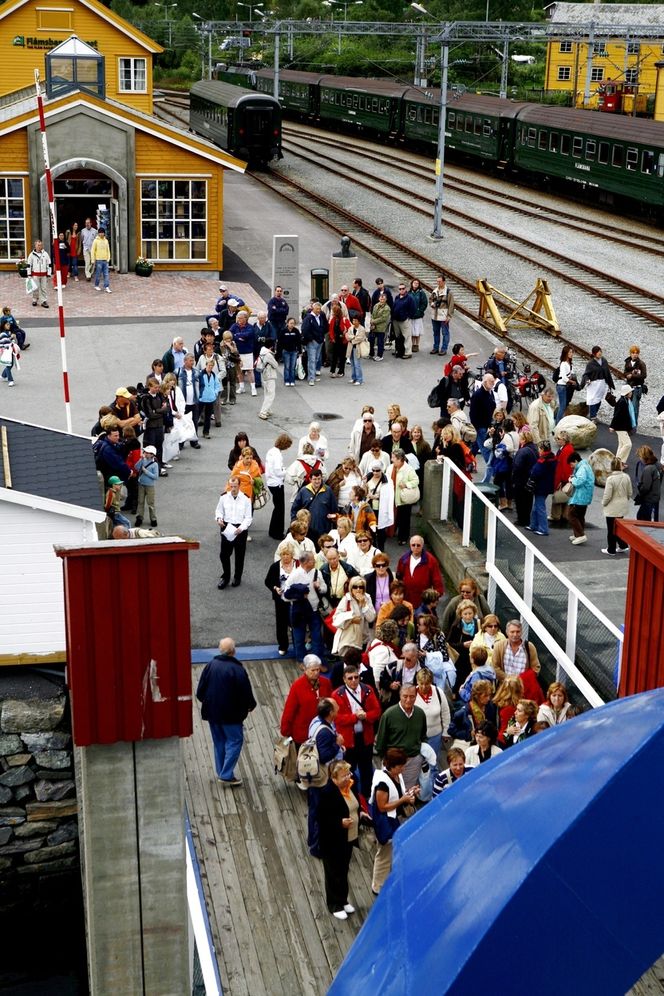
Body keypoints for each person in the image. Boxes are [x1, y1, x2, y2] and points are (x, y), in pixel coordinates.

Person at [196, 637, 256, 787]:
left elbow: (200, 692)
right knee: (235, 741)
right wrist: (250, 705)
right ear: (233, 651)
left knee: (219, 742)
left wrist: (208, 702)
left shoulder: (210, 665)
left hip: (212, 713)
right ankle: (226, 774)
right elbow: (245, 692)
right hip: (232, 715)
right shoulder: (238, 669)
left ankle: (221, 772)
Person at [369, 747, 417, 895]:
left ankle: (387, 880)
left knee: (391, 852)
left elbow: (397, 795)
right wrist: (403, 800)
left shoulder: (396, 776)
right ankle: (377, 886)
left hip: (395, 819)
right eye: (401, 766)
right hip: (386, 823)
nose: (403, 768)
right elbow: (382, 807)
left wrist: (409, 794)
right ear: (392, 765)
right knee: (384, 854)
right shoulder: (382, 783)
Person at [317, 760, 361, 920]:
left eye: (348, 774)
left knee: (343, 870)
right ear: (334, 778)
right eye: (344, 776)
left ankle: (343, 899)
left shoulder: (351, 786)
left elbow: (355, 805)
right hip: (332, 841)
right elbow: (321, 819)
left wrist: (361, 814)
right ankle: (334, 904)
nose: (348, 777)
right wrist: (339, 823)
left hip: (349, 837)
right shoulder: (327, 793)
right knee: (333, 873)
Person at [332, 666, 381, 798]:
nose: (354, 680)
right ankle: (351, 795)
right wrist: (355, 717)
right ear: (344, 679)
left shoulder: (368, 690)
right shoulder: (337, 695)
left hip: (366, 738)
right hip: (348, 741)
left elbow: (377, 711)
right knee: (349, 769)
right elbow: (337, 718)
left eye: (356, 677)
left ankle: (367, 795)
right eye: (350, 678)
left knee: (367, 769)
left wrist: (366, 716)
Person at [375, 684, 427, 790]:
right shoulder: (389, 714)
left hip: (413, 761)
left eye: (412, 696)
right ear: (400, 696)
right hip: (393, 762)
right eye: (405, 696)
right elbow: (380, 743)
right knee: (390, 790)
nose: (408, 700)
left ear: (416, 696)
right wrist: (387, 760)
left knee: (408, 790)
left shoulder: (420, 713)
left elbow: (423, 736)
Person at [282, 551, 327, 664]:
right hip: (299, 611)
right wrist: (300, 596)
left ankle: (317, 661)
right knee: (299, 637)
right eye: (312, 560)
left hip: (314, 610)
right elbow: (285, 596)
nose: (315, 561)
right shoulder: (294, 575)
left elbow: (324, 588)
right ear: (305, 562)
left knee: (317, 637)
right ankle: (301, 660)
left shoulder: (317, 572)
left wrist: (319, 587)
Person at [280, 655, 332, 747]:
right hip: (303, 734)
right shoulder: (297, 686)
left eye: (318, 669)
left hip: (322, 732)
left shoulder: (326, 683)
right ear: (305, 669)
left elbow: (332, 704)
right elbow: (289, 711)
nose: (316, 673)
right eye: (313, 670)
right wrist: (285, 731)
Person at [492, 620, 543, 704]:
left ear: (521, 632)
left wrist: (521, 680)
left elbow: (536, 668)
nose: (515, 634)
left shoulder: (529, 647)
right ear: (507, 632)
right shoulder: (499, 646)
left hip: (523, 690)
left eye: (518, 632)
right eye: (512, 632)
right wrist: (509, 679)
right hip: (505, 689)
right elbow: (495, 667)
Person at [215, 475, 253, 589]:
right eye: (231, 486)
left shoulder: (246, 499)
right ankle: (226, 577)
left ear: (239, 485)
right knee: (224, 555)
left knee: (239, 555)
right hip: (227, 527)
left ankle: (237, 577)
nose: (233, 489)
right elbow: (219, 511)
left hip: (240, 529)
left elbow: (248, 517)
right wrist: (219, 519)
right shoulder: (223, 497)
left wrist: (241, 528)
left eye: (235, 486)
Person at [264, 540, 297, 655]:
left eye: (288, 554)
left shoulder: (298, 565)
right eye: (283, 554)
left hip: (296, 599)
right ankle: (283, 645)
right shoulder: (275, 566)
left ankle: (298, 645)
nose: (285, 557)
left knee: (296, 622)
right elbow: (268, 581)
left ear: (292, 554)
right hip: (281, 600)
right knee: (281, 623)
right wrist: (275, 588)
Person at [291, 468, 338, 544]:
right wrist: (294, 522)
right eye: (314, 479)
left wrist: (333, 519)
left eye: (319, 479)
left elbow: (334, 509)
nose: (317, 481)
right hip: (307, 529)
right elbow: (295, 508)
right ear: (310, 479)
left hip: (324, 529)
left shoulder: (328, 491)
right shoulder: (303, 491)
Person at [331, 577, 376, 656]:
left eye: (361, 587)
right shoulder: (346, 599)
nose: (358, 589)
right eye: (355, 587)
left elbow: (371, 618)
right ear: (351, 588)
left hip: (363, 638)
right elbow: (335, 619)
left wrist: (364, 605)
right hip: (349, 640)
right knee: (348, 661)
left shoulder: (367, 598)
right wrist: (351, 620)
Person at [396, 535, 444, 608]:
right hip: (406, 599)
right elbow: (399, 576)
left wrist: (435, 597)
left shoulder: (431, 560)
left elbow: (437, 580)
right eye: (413, 545)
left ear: (422, 545)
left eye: (418, 545)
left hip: (423, 601)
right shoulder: (403, 559)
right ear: (410, 545)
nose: (415, 547)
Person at [415, 666, 450, 762]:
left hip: (435, 736)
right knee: (419, 762)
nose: (424, 687)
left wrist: (446, 731)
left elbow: (445, 712)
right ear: (417, 682)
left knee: (433, 762)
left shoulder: (438, 692)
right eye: (421, 683)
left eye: (427, 684)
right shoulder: (412, 694)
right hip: (418, 738)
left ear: (431, 682)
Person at [601, 456, 632, 556]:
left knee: (611, 529)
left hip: (612, 508)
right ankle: (623, 545)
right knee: (618, 528)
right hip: (622, 507)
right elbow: (630, 493)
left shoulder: (610, 479)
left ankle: (611, 549)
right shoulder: (626, 477)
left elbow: (607, 495)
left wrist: (603, 503)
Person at [264, 433, 292, 539]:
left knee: (277, 508)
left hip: (271, 482)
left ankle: (273, 530)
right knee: (280, 509)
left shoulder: (271, 451)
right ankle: (277, 532)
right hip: (277, 483)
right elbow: (278, 472)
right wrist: (286, 471)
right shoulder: (278, 455)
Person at [526, 441, 556, 536]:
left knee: (539, 507)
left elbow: (536, 472)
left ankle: (543, 529)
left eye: (539, 448)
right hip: (547, 485)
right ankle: (533, 525)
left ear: (542, 449)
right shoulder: (552, 458)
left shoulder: (543, 460)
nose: (538, 450)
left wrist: (531, 473)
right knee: (537, 506)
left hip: (540, 486)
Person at [566, 450, 595, 546]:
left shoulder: (582, 468)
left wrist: (571, 479)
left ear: (575, 461)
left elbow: (579, 481)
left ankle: (580, 535)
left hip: (580, 496)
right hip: (585, 496)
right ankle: (578, 534)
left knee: (571, 515)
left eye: (571, 464)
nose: (571, 466)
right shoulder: (585, 466)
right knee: (580, 516)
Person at [391, 449, 420, 545]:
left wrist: (406, 485)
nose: (392, 460)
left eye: (393, 458)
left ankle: (403, 537)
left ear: (399, 459)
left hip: (405, 499)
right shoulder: (391, 467)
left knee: (405, 519)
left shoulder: (409, 469)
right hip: (394, 497)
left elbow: (416, 481)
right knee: (397, 517)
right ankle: (394, 532)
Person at [580, 346, 615, 421]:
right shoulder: (590, 364)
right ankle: (593, 416)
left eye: (600, 351)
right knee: (593, 400)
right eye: (598, 352)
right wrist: (587, 380)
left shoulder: (604, 361)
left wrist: (610, 384)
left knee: (598, 399)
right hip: (593, 384)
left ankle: (594, 414)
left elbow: (607, 373)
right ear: (594, 354)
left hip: (601, 383)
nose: (600, 353)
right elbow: (586, 374)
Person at [512, 431, 539, 527]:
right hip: (530, 479)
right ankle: (527, 519)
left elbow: (517, 466)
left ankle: (522, 520)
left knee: (520, 501)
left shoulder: (523, 451)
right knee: (528, 500)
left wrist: (513, 477)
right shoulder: (535, 449)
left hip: (521, 480)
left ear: (523, 440)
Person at [301, 302, 327, 385]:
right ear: (313, 309)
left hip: (320, 341)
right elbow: (305, 330)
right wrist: (311, 339)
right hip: (312, 342)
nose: (318, 310)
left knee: (316, 359)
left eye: (319, 309)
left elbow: (324, 327)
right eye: (317, 309)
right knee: (311, 360)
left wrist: (322, 337)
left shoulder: (320, 317)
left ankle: (313, 376)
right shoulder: (308, 318)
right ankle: (311, 378)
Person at [609, 385, 636, 466]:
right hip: (620, 427)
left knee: (621, 444)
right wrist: (612, 426)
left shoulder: (625, 400)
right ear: (627, 393)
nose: (631, 393)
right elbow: (616, 415)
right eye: (630, 392)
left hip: (621, 426)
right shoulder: (622, 402)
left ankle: (620, 463)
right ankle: (616, 462)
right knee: (628, 444)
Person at [134, 444, 159, 528]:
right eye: (145, 452)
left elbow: (155, 477)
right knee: (140, 501)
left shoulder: (155, 464)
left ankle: (153, 518)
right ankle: (139, 517)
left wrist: (146, 472)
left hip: (150, 486)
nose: (145, 453)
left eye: (147, 452)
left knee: (151, 503)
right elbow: (136, 467)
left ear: (152, 454)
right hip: (141, 484)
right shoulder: (143, 460)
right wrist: (140, 460)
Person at [634, 445, 662, 522]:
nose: (640, 459)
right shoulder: (658, 465)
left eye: (640, 457)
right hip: (655, 497)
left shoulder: (648, 469)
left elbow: (646, 487)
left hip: (648, 499)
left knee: (641, 517)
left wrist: (640, 489)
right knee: (651, 519)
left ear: (644, 457)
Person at [429, 274, 455, 355]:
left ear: (444, 282)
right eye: (437, 281)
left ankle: (444, 349)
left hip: (444, 316)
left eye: (439, 281)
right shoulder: (435, 291)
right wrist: (432, 304)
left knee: (445, 333)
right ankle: (436, 348)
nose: (438, 283)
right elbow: (430, 300)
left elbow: (451, 305)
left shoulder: (448, 292)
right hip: (435, 315)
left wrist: (449, 316)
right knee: (435, 332)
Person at [391, 281, 416, 359]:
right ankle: (398, 350)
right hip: (396, 320)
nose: (401, 290)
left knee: (406, 336)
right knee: (397, 336)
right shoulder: (397, 297)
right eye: (400, 289)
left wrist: (408, 317)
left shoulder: (409, 298)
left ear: (406, 289)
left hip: (404, 320)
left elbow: (413, 309)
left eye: (403, 288)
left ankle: (408, 352)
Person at [623, 345, 647, 425]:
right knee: (627, 405)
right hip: (628, 387)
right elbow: (624, 372)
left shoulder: (641, 364)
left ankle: (634, 425)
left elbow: (644, 375)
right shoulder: (627, 362)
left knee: (634, 407)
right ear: (630, 353)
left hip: (637, 388)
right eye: (633, 353)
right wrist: (627, 375)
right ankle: (627, 423)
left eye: (636, 353)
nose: (635, 354)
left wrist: (632, 375)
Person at [257, 337, 279, 420]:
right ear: (271, 346)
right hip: (270, 375)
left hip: (264, 375)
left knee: (266, 393)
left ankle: (268, 409)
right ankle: (263, 411)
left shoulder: (262, 352)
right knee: (271, 395)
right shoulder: (268, 355)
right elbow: (276, 365)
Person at [555, 345, 577, 424]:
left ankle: (559, 421)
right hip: (561, 386)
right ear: (566, 353)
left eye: (572, 352)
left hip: (565, 386)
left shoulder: (569, 363)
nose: (571, 354)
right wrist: (572, 381)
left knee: (564, 405)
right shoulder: (563, 364)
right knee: (562, 406)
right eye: (570, 352)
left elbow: (571, 373)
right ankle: (557, 423)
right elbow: (564, 378)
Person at [27, 239, 51, 307]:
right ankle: (35, 300)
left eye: (40, 245)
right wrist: (29, 274)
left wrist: (49, 273)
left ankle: (44, 301)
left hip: (44, 274)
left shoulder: (45, 254)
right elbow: (29, 265)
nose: (39, 246)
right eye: (38, 245)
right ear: (35, 246)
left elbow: (49, 264)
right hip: (35, 274)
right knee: (35, 288)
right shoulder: (31, 255)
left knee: (44, 288)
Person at [346, 315, 367, 386]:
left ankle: (359, 379)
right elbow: (347, 336)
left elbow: (360, 338)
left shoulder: (362, 329)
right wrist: (353, 337)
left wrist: (352, 339)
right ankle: (354, 378)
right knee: (352, 364)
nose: (353, 322)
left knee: (357, 364)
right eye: (353, 320)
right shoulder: (351, 328)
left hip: (357, 348)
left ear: (359, 321)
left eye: (355, 321)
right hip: (350, 348)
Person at [369, 292, 391, 361]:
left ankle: (380, 355)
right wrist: (372, 321)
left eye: (383, 299)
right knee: (371, 341)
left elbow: (383, 318)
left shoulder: (387, 308)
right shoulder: (376, 305)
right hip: (373, 327)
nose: (382, 300)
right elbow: (372, 314)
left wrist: (373, 321)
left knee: (380, 342)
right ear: (379, 299)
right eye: (381, 299)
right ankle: (371, 354)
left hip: (381, 328)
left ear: (386, 299)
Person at [408, 277, 428, 353]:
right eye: (414, 283)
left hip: (418, 315)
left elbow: (424, 303)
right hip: (411, 315)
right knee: (412, 331)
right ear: (412, 284)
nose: (416, 284)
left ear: (419, 284)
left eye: (417, 283)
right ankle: (413, 344)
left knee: (418, 331)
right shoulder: (409, 293)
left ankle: (417, 344)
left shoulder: (421, 293)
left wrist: (420, 311)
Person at [91, 227, 111, 293]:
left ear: (104, 233)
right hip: (98, 260)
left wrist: (108, 258)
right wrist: (93, 260)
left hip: (105, 260)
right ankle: (96, 285)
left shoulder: (106, 241)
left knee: (106, 274)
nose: (101, 234)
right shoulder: (95, 241)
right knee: (98, 274)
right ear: (98, 233)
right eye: (100, 233)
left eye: (102, 233)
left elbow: (108, 250)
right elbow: (93, 251)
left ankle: (106, 287)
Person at [81, 217, 97, 281]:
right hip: (86, 249)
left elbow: (96, 240)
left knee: (93, 262)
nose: (87, 224)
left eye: (88, 223)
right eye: (86, 223)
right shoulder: (83, 231)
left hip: (93, 249)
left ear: (91, 223)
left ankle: (90, 273)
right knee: (87, 262)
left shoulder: (95, 231)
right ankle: (88, 275)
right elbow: (82, 239)